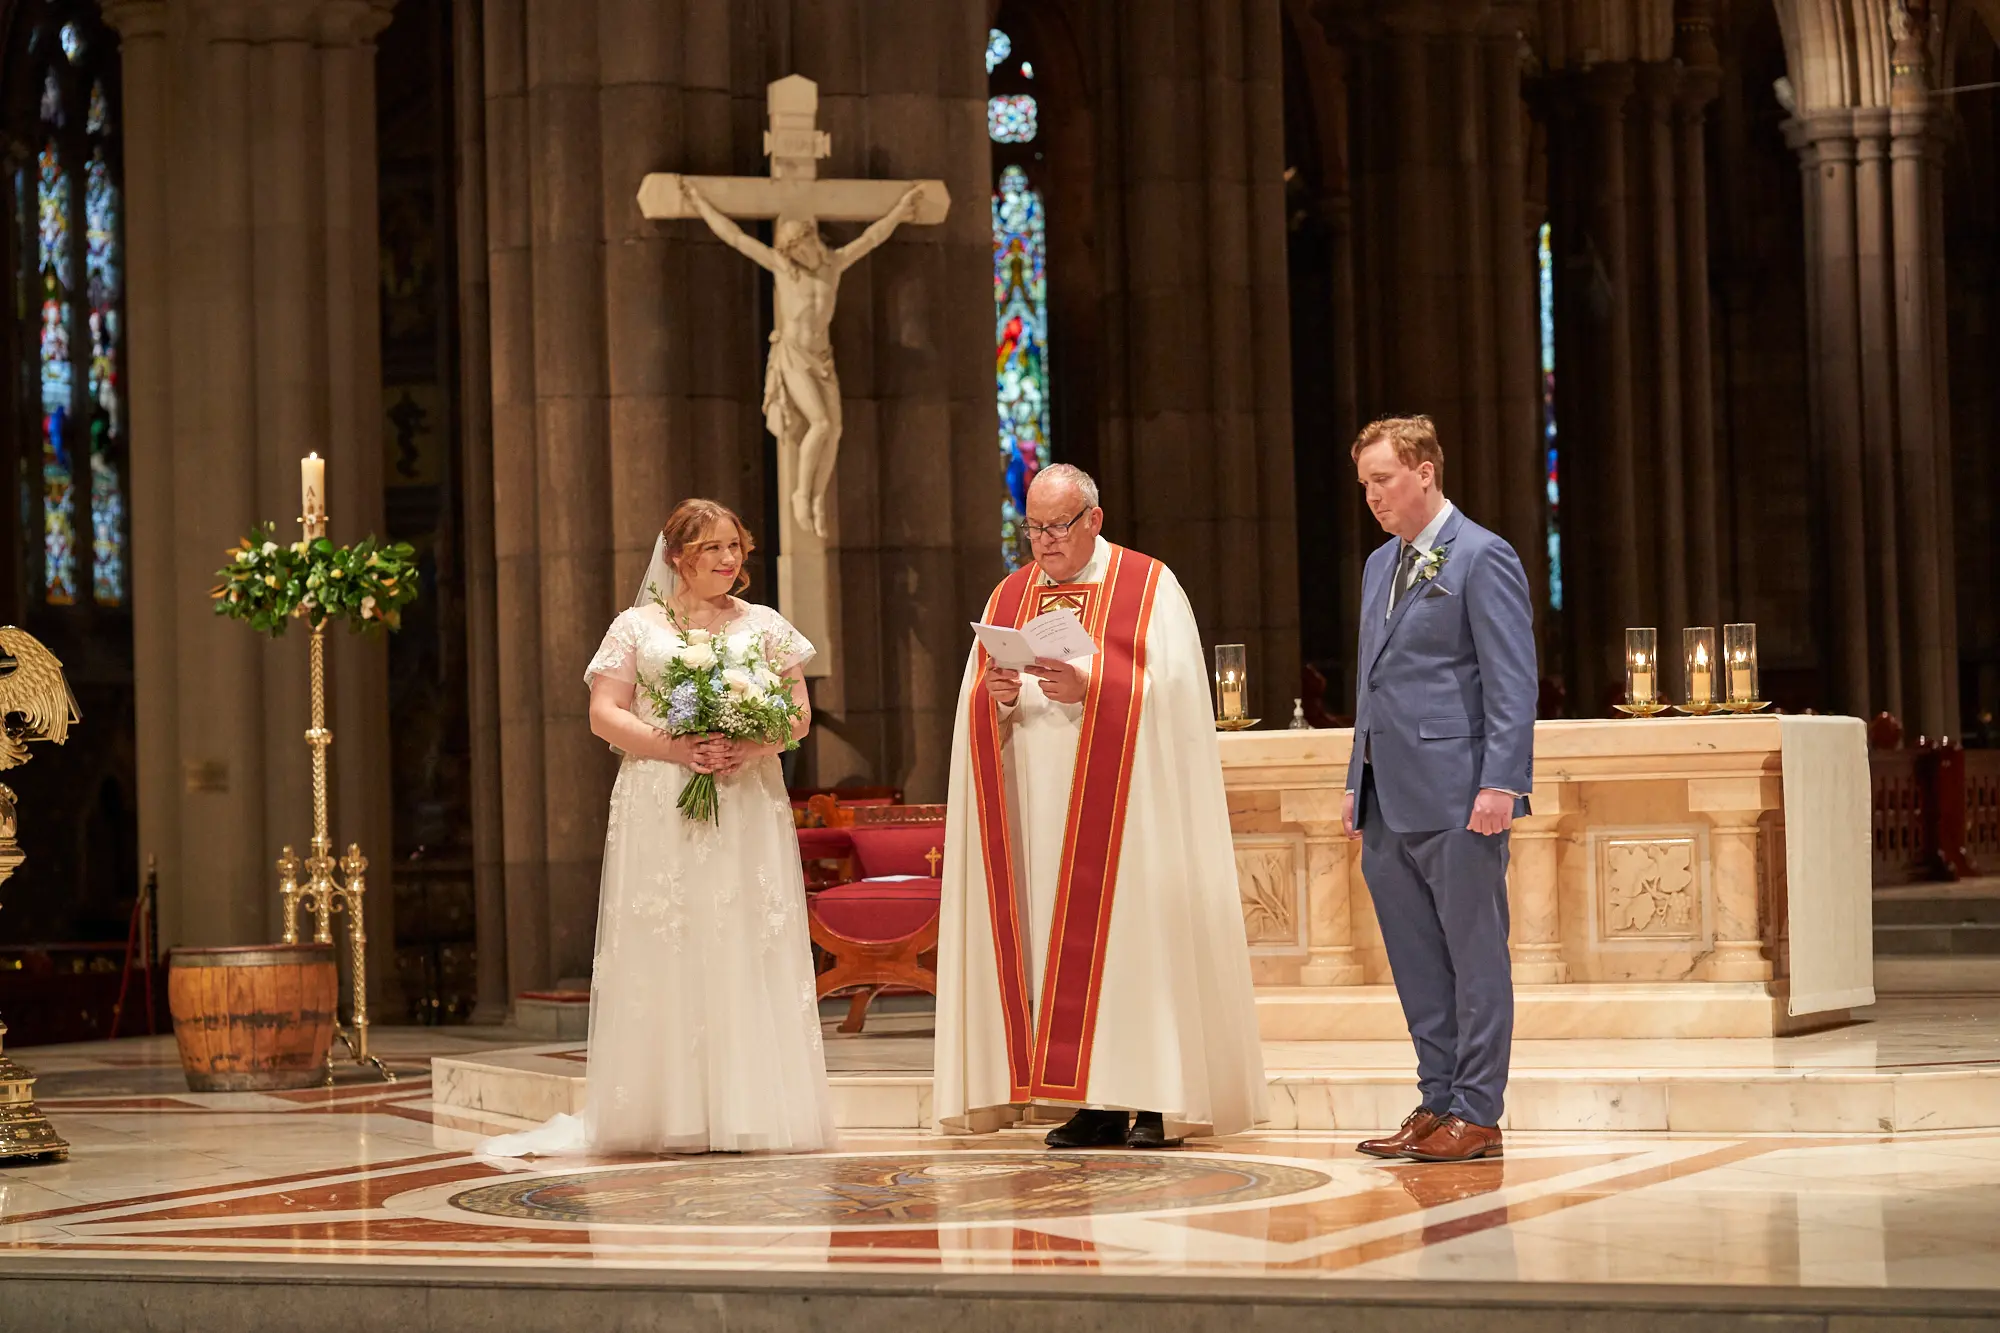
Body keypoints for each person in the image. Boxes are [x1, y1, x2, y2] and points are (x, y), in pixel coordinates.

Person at [484, 499, 835, 1156]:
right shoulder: (637, 627)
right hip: (662, 799)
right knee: (671, 937)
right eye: (712, 549)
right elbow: (603, 711)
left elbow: (797, 714)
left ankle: (750, 1108)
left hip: (744, 800)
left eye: (735, 545)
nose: (728, 559)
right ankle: (666, 1110)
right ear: (677, 556)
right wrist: (673, 746)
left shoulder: (764, 626)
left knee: (740, 936)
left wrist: (749, 744)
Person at [933, 465, 1268, 1149]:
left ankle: (1153, 1100)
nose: (1045, 542)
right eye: (1033, 527)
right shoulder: (1011, 594)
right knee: (1055, 947)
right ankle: (1091, 1101)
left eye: (1058, 526)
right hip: (1040, 809)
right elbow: (978, 699)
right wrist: (995, 695)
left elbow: (1176, 696)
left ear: (1095, 518)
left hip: (1130, 812)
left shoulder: (1147, 586)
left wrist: (1092, 686)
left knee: (1135, 947)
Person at [1343, 416, 1536, 1163]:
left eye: (1383, 480)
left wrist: (1501, 782)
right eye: (1365, 485)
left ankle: (1480, 1110)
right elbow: (1373, 683)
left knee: (1475, 954)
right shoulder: (1377, 566)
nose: (1373, 497)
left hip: (1460, 792)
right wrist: (1353, 779)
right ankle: (1438, 1098)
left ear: (1425, 471)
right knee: (1417, 957)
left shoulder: (1482, 557)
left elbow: (1510, 680)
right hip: (1386, 793)